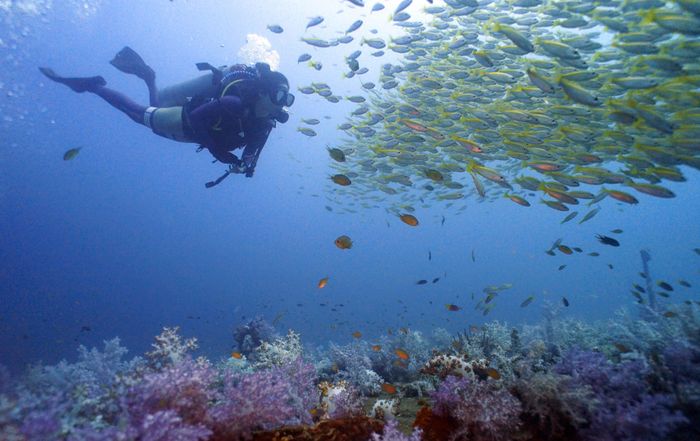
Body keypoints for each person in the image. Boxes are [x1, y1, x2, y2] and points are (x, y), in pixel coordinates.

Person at [39, 46, 294, 185]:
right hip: (188, 121)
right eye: (279, 96)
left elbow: (252, 152)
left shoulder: (264, 125)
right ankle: (93, 86)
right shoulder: (234, 102)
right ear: (263, 92)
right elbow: (197, 119)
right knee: (139, 115)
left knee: (155, 105)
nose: (281, 104)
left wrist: (245, 164)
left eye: (287, 99)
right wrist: (217, 151)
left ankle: (149, 78)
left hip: (197, 134)